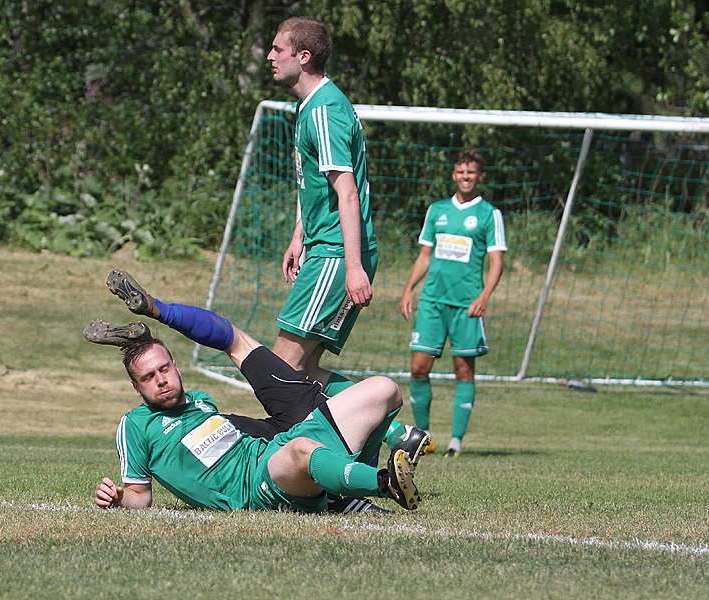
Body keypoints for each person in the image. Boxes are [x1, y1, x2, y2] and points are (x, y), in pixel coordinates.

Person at [85, 270, 430, 513]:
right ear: (135, 387)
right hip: (269, 469)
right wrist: (118, 499)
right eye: (148, 377)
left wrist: (159, 311)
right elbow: (137, 495)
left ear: (177, 366)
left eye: (164, 369)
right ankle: (384, 481)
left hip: (279, 434)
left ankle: (346, 489)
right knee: (301, 445)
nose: (161, 380)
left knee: (385, 390)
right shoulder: (137, 424)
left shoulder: (202, 402)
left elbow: (230, 339)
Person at [265, 17, 377, 398]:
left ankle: (294, 451)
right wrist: (299, 236)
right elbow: (312, 184)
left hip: (336, 255)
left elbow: (347, 194)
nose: (270, 56)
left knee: (280, 367)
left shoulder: (324, 111)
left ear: (304, 56)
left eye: (278, 50)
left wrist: (354, 266)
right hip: (323, 249)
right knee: (304, 368)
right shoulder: (310, 104)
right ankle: (397, 432)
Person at [396, 149, 508, 457]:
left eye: (471, 172)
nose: (466, 177)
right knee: (418, 368)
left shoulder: (489, 214)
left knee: (463, 370)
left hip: (466, 305)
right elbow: (425, 255)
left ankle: (456, 442)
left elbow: (497, 262)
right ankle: (424, 439)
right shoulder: (437, 210)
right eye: (461, 172)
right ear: (454, 175)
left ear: (479, 176)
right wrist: (408, 289)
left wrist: (484, 296)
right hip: (432, 301)